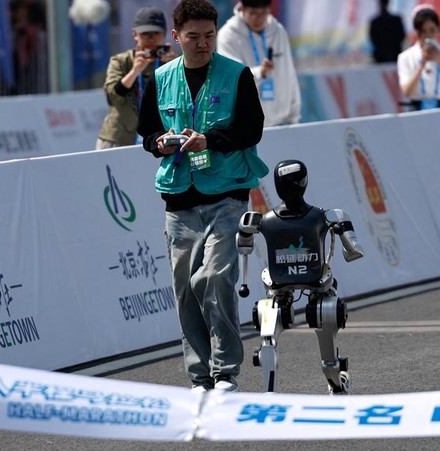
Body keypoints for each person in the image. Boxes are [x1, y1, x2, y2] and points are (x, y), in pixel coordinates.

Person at [137, 0, 268, 393]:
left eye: (209, 35)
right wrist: (160, 142)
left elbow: (252, 130)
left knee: (217, 278)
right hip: (179, 197)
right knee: (186, 291)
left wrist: (209, 140)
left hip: (227, 192)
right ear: (176, 37)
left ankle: (225, 371)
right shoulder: (160, 78)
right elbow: (147, 133)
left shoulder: (237, 74)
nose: (203, 43)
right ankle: (200, 377)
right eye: (193, 36)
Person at [96, 7, 178, 149]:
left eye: (156, 33)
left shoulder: (173, 64)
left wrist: (176, 67)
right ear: (135, 34)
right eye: (145, 33)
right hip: (119, 138)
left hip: (159, 139)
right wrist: (134, 71)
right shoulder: (121, 61)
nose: (151, 38)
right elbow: (112, 98)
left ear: (165, 34)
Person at [216, 0, 300, 127]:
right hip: (248, 126)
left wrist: (295, 118)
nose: (259, 18)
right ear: (242, 8)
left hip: (282, 123)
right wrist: (260, 73)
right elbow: (232, 77)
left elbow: (290, 75)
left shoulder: (278, 31)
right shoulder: (227, 35)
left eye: (264, 13)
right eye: (253, 13)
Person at [397, 6, 440, 111]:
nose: (428, 35)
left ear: (438, 30)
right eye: (423, 31)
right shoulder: (405, 57)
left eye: (432, 30)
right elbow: (407, 91)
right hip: (417, 107)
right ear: (417, 32)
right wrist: (421, 66)